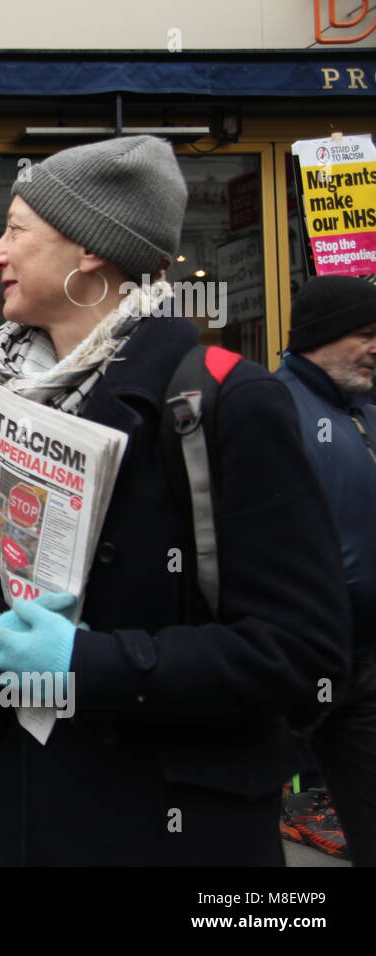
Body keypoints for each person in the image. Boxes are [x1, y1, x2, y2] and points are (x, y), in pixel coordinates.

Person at [0, 135, 351, 865]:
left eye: (14, 230)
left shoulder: (230, 400)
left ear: (89, 251)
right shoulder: (20, 396)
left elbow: (301, 649)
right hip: (21, 810)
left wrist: (85, 664)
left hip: (172, 825)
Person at [274, 275, 376, 865]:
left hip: (364, 660)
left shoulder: (365, 407)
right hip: (294, 655)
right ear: (320, 337)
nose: (374, 347)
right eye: (363, 334)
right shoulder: (275, 407)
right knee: (244, 809)